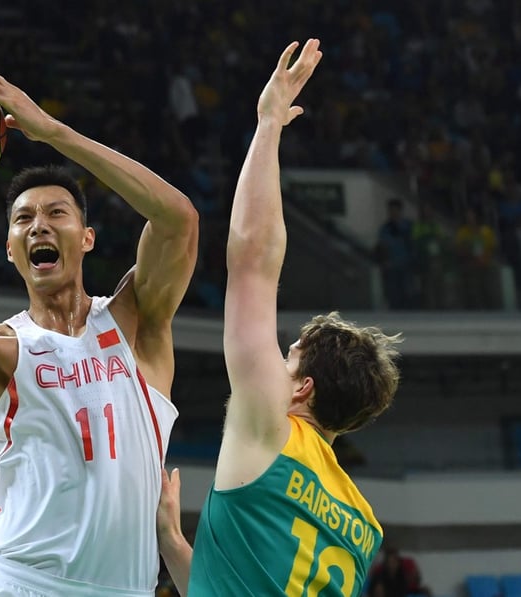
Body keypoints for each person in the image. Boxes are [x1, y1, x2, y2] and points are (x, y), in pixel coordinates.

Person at [0, 58, 198, 597]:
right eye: (23, 219)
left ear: (87, 237)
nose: (39, 225)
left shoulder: (136, 323)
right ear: (11, 250)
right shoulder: (4, 347)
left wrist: (51, 131)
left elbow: (178, 220)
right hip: (21, 584)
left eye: (57, 213)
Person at [156, 39, 401, 596]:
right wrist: (173, 543)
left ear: (302, 389)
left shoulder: (273, 429)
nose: (274, 361)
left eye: (287, 358)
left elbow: (252, 263)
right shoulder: (362, 525)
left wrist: (268, 124)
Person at [366, 547, 432, 597]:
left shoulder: (401, 575)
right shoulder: (380, 576)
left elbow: (406, 590)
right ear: (386, 563)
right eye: (390, 562)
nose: (392, 565)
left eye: (394, 562)